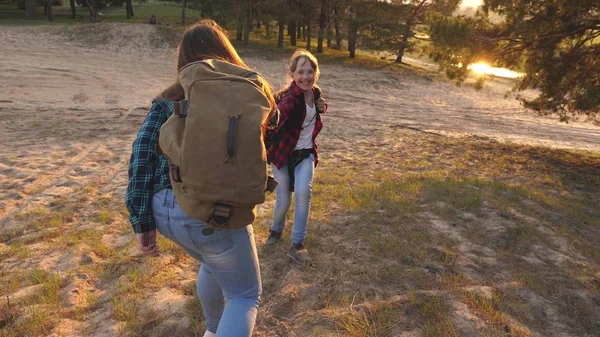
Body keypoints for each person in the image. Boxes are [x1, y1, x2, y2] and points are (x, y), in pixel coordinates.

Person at [125, 20, 277, 337]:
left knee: (212, 262)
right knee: (243, 295)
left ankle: (212, 330)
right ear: (225, 54)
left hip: (164, 211)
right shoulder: (244, 97)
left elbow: (142, 155)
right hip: (212, 213)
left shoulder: (169, 99)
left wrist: (141, 221)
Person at [265, 49, 327, 264]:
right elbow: (276, 118)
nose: (306, 76)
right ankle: (275, 231)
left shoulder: (315, 93)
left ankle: (297, 244)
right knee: (283, 199)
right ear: (292, 74)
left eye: (310, 71)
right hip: (283, 155)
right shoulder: (290, 99)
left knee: (303, 193)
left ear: (316, 74)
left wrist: (322, 106)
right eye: (301, 72)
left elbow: (316, 108)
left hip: (306, 153)